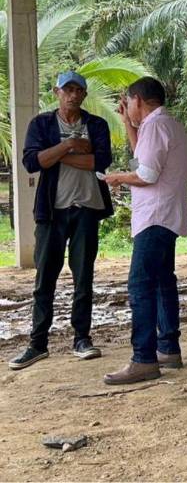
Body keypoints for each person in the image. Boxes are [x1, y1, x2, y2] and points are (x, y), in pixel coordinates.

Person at [8, 71, 113, 370]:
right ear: (56, 92)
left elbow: (100, 161)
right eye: (67, 90)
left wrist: (54, 155)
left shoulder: (96, 124)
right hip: (52, 212)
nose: (73, 95)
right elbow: (32, 162)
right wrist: (69, 146)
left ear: (84, 95)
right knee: (44, 279)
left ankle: (82, 339)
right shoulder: (41, 124)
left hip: (87, 208)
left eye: (78, 90)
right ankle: (37, 343)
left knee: (84, 278)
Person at [102, 77, 187, 385]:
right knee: (162, 281)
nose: (127, 106)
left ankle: (143, 358)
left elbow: (147, 174)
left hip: (154, 217)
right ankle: (168, 348)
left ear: (138, 100)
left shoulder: (155, 127)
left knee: (140, 284)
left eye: (128, 102)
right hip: (165, 216)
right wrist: (128, 124)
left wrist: (116, 177)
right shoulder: (167, 124)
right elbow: (143, 158)